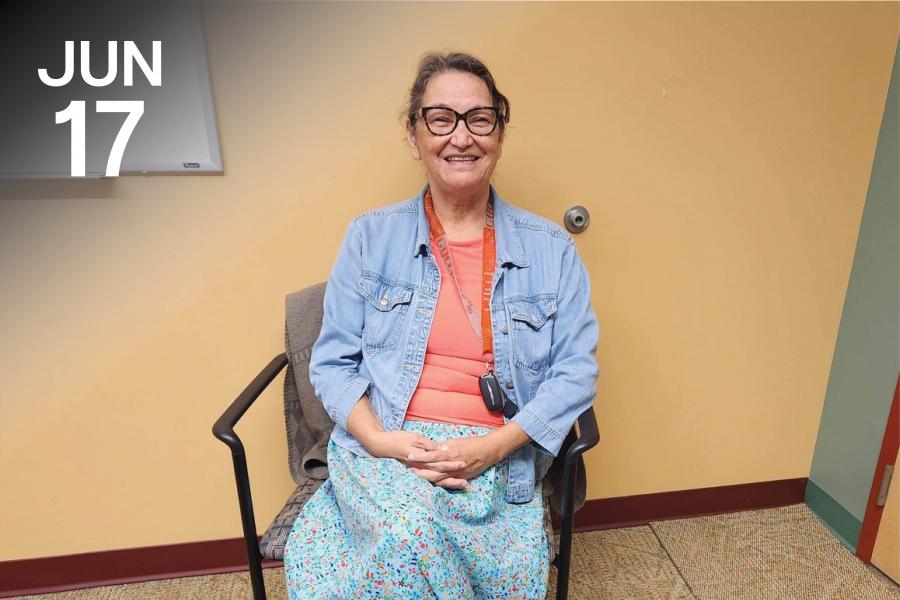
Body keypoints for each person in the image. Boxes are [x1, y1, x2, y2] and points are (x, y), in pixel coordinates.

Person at [284, 51, 599, 599]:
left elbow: (575, 373)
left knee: (415, 551)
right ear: (414, 135)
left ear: (498, 133)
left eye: (480, 119)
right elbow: (332, 363)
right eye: (440, 119)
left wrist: (495, 448)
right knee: (406, 534)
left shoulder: (553, 250)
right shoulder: (369, 238)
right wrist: (380, 441)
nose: (462, 137)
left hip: (495, 455)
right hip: (388, 445)